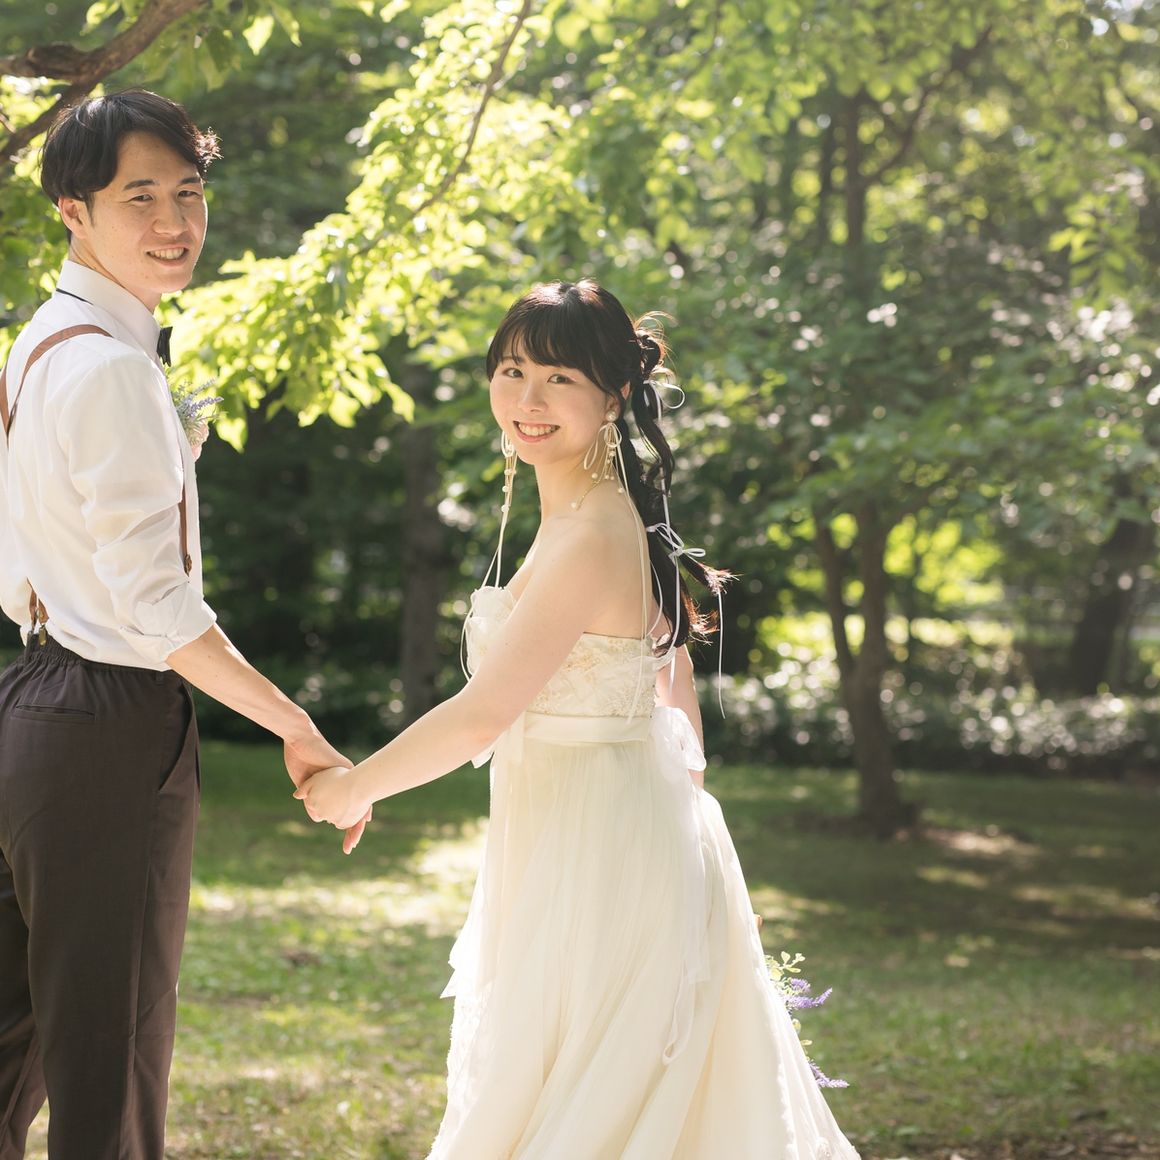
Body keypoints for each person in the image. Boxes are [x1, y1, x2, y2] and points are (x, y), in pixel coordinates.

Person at [298, 279, 860, 1159]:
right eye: (512, 371)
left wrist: (352, 789)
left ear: (615, 395)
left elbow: (484, 714)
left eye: (559, 378)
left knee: (589, 1101)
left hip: (598, 847)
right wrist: (689, 815)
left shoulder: (594, 531)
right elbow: (670, 670)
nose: (528, 399)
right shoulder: (591, 515)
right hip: (588, 833)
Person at [0, 89, 365, 1160]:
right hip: (107, 723)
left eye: (190, 193)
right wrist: (295, 722)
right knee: (110, 1059)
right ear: (74, 210)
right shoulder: (111, 367)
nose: (175, 223)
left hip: (31, 701)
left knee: (16, 1040)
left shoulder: (41, 341)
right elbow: (160, 609)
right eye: (141, 197)